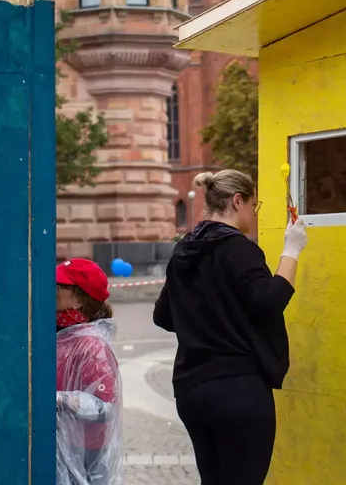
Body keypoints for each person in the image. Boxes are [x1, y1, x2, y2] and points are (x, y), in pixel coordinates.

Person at [152, 169, 310, 485]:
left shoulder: (183, 249)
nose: (253, 213)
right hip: (238, 390)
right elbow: (268, 302)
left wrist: (207, 320)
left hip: (192, 390)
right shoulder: (238, 248)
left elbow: (163, 316)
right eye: (254, 205)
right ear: (238, 201)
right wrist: (291, 250)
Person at [56, 258, 122, 485]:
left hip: (84, 451)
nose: (52, 289)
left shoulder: (92, 346)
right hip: (58, 442)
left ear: (78, 299)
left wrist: (60, 399)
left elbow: (105, 406)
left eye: (59, 286)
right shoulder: (58, 335)